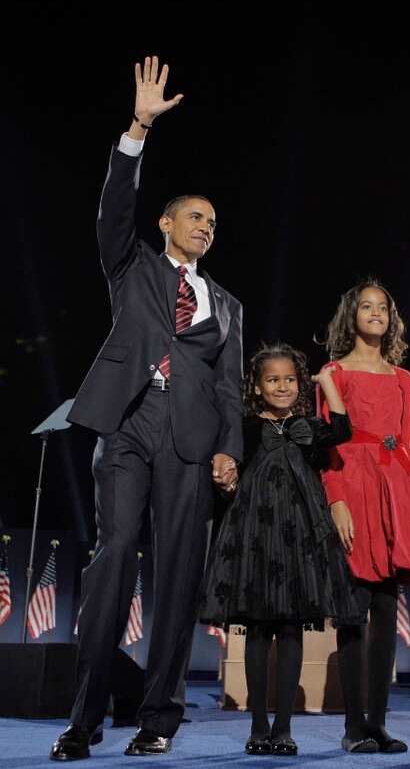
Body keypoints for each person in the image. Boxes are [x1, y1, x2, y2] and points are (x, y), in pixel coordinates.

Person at [52, 56, 244, 762]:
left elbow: (231, 386)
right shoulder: (131, 264)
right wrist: (138, 127)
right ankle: (84, 716)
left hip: (191, 445)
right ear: (166, 222)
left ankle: (159, 715)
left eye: (214, 222)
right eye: (195, 216)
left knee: (178, 577)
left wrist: (230, 447)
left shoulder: (228, 305)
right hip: (127, 426)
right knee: (111, 561)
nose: (206, 226)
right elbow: (113, 211)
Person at [199, 343, 364, 756]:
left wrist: (326, 384)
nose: (283, 386)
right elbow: (227, 461)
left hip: (299, 536)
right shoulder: (247, 426)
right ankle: (257, 726)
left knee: (291, 626)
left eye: (289, 379)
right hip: (255, 533)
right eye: (273, 380)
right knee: (257, 627)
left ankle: (284, 727)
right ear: (257, 387)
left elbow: (343, 429)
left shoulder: (309, 426)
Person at [319, 280, 410, 753]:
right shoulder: (334, 372)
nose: (375, 313)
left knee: (387, 612)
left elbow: (407, 446)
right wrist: (337, 502)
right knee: (354, 612)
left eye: (383, 307)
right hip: (352, 488)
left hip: (394, 492)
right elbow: (327, 447)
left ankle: (378, 723)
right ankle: (352, 728)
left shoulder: (403, 378)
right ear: (351, 314)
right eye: (366, 306)